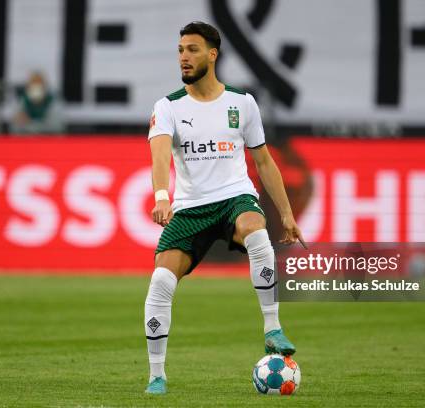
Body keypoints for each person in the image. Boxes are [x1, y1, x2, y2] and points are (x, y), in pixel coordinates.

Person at [144, 21, 305, 395]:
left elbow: (264, 162)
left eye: (193, 49)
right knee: (160, 282)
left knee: (256, 228)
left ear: (212, 55)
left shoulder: (242, 103)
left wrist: (286, 214)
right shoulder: (168, 107)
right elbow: (160, 155)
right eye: (181, 49)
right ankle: (156, 375)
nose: (184, 57)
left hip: (234, 197)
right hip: (190, 208)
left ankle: (272, 328)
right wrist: (162, 197)